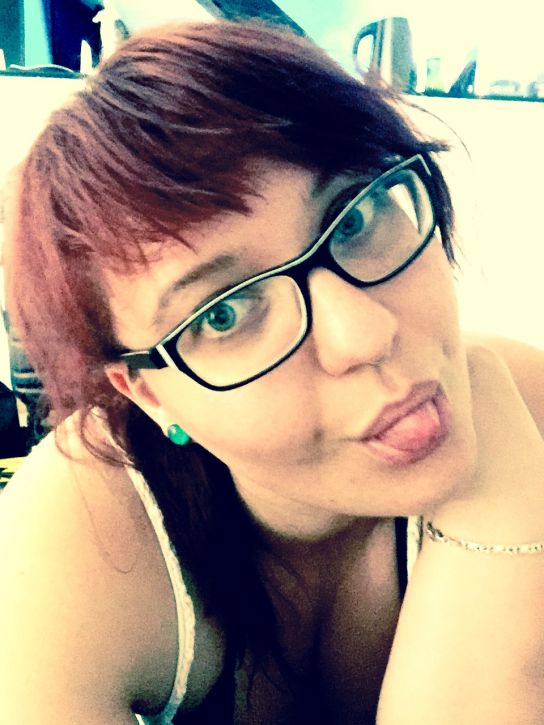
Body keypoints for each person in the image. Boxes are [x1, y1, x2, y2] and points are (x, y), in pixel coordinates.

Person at [1, 20, 543, 725]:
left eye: (355, 217)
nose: (365, 335)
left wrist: (503, 511)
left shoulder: (527, 408)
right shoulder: (74, 537)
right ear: (147, 390)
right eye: (225, 313)